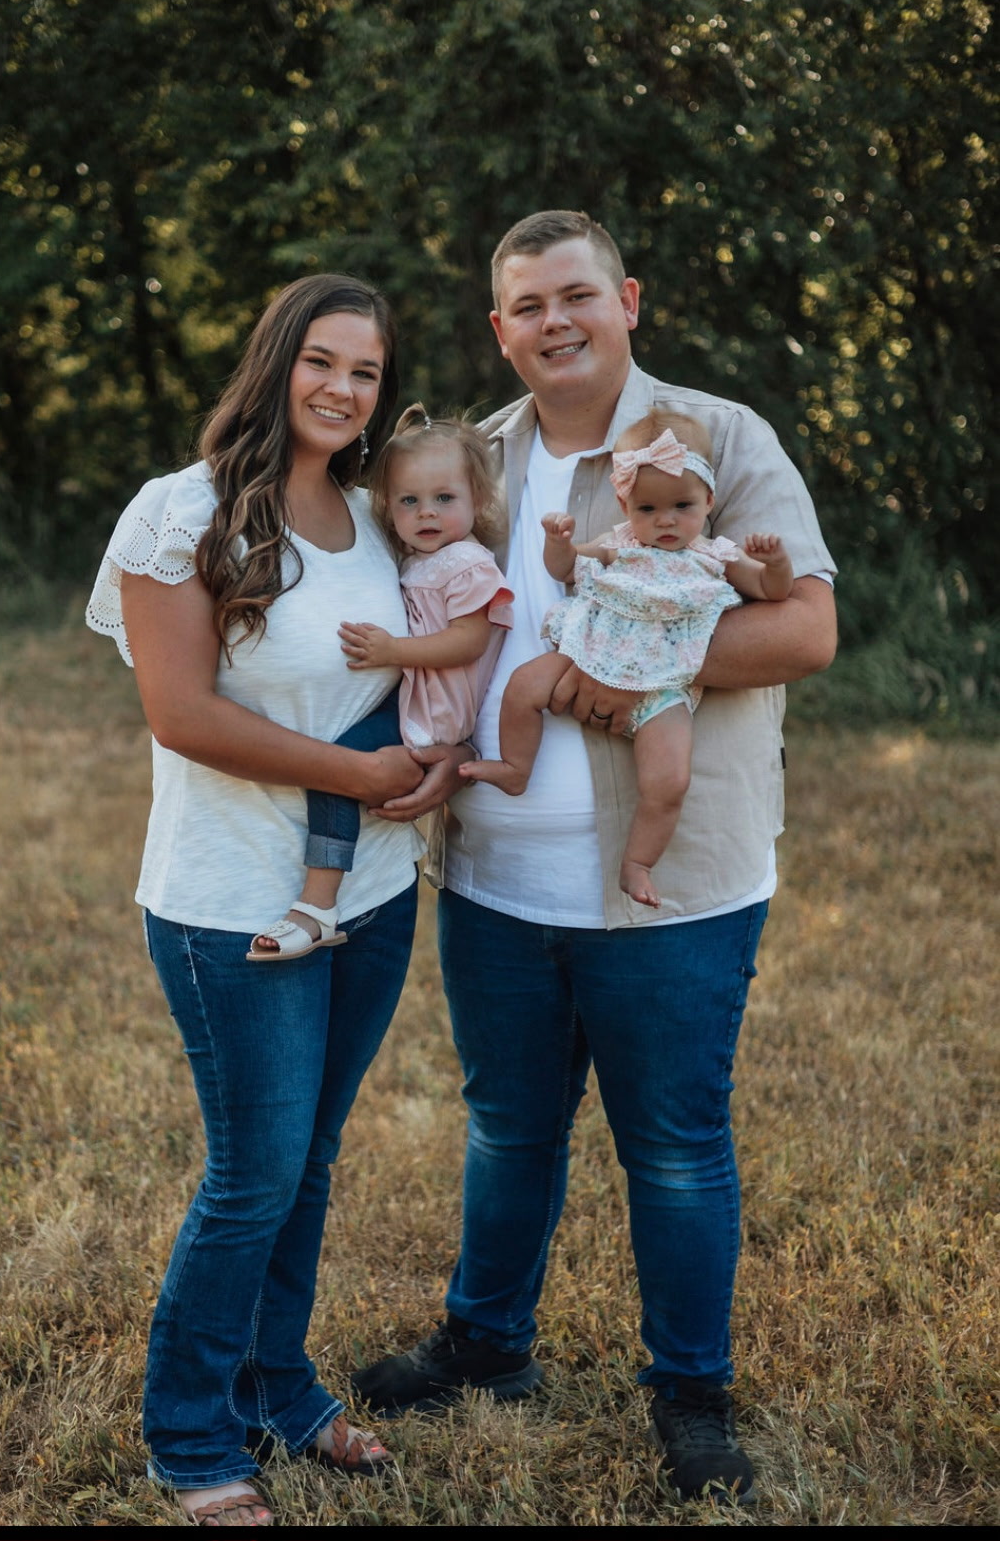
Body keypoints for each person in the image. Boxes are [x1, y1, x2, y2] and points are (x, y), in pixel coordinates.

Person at [351, 211, 837, 1506]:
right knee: (508, 1129)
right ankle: (486, 1344)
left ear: (625, 300)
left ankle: (690, 1393)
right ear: (498, 329)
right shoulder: (473, 458)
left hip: (672, 886)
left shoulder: (718, 438)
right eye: (527, 305)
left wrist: (627, 670)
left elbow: (803, 631)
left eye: (576, 294)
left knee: (671, 1146)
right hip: (492, 877)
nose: (553, 321)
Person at [85, 275, 432, 1526]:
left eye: (366, 372)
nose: (342, 389)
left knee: (310, 1163)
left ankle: (278, 1387)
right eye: (321, 362)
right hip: (234, 900)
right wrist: (355, 774)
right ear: (277, 362)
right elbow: (181, 714)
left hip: (374, 890)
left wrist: (425, 766)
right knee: (253, 1175)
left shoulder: (379, 519)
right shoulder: (181, 512)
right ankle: (190, 1437)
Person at [462, 411, 793, 908]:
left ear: (709, 500)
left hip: (663, 685)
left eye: (682, 506)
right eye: (647, 508)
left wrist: (776, 563)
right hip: (590, 650)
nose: (665, 520)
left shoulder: (716, 557)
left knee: (670, 779)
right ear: (625, 505)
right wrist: (558, 543)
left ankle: (637, 863)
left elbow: (771, 589)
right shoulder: (619, 544)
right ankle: (515, 766)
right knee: (523, 685)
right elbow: (566, 569)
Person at [248, 405, 512, 961]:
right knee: (341, 762)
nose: (427, 512)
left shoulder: (467, 563)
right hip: (415, 699)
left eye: (445, 498)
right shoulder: (419, 559)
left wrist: (393, 651)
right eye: (408, 501)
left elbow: (469, 639)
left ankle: (317, 905)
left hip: (433, 713)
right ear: (387, 507)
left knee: (336, 770)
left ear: (479, 500)